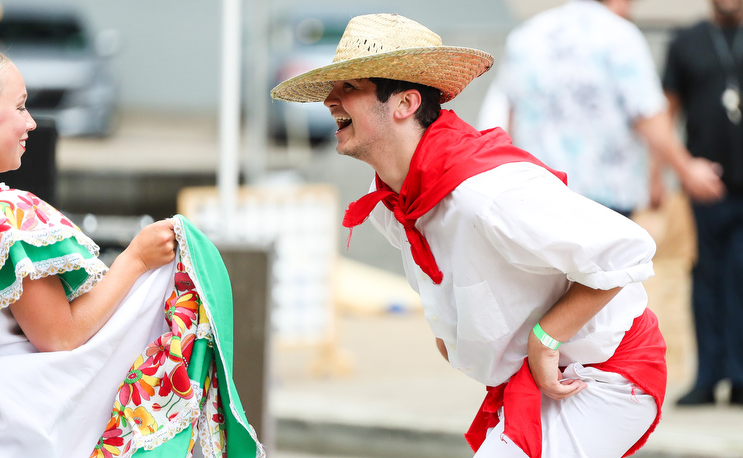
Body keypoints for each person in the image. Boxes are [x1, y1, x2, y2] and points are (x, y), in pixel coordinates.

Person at [272, 13, 667, 458]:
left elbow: (628, 249)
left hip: (606, 375)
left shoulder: (486, 192)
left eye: (350, 87)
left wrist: (545, 338)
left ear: (404, 104)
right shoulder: (389, 198)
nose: (330, 100)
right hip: (545, 383)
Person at [0, 45, 263, 457]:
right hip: (3, 428)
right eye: (21, 107)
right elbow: (60, 337)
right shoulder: (1, 215)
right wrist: (137, 260)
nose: (31, 122)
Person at [481, 0, 725, 216]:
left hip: (540, 194)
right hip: (606, 198)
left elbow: (504, 117)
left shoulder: (526, 35)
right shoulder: (621, 36)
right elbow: (648, 115)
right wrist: (686, 170)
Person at [662, 0, 743, 406]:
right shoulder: (687, 41)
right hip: (705, 184)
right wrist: (659, 176)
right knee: (706, 281)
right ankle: (709, 376)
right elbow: (666, 112)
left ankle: (740, 375)